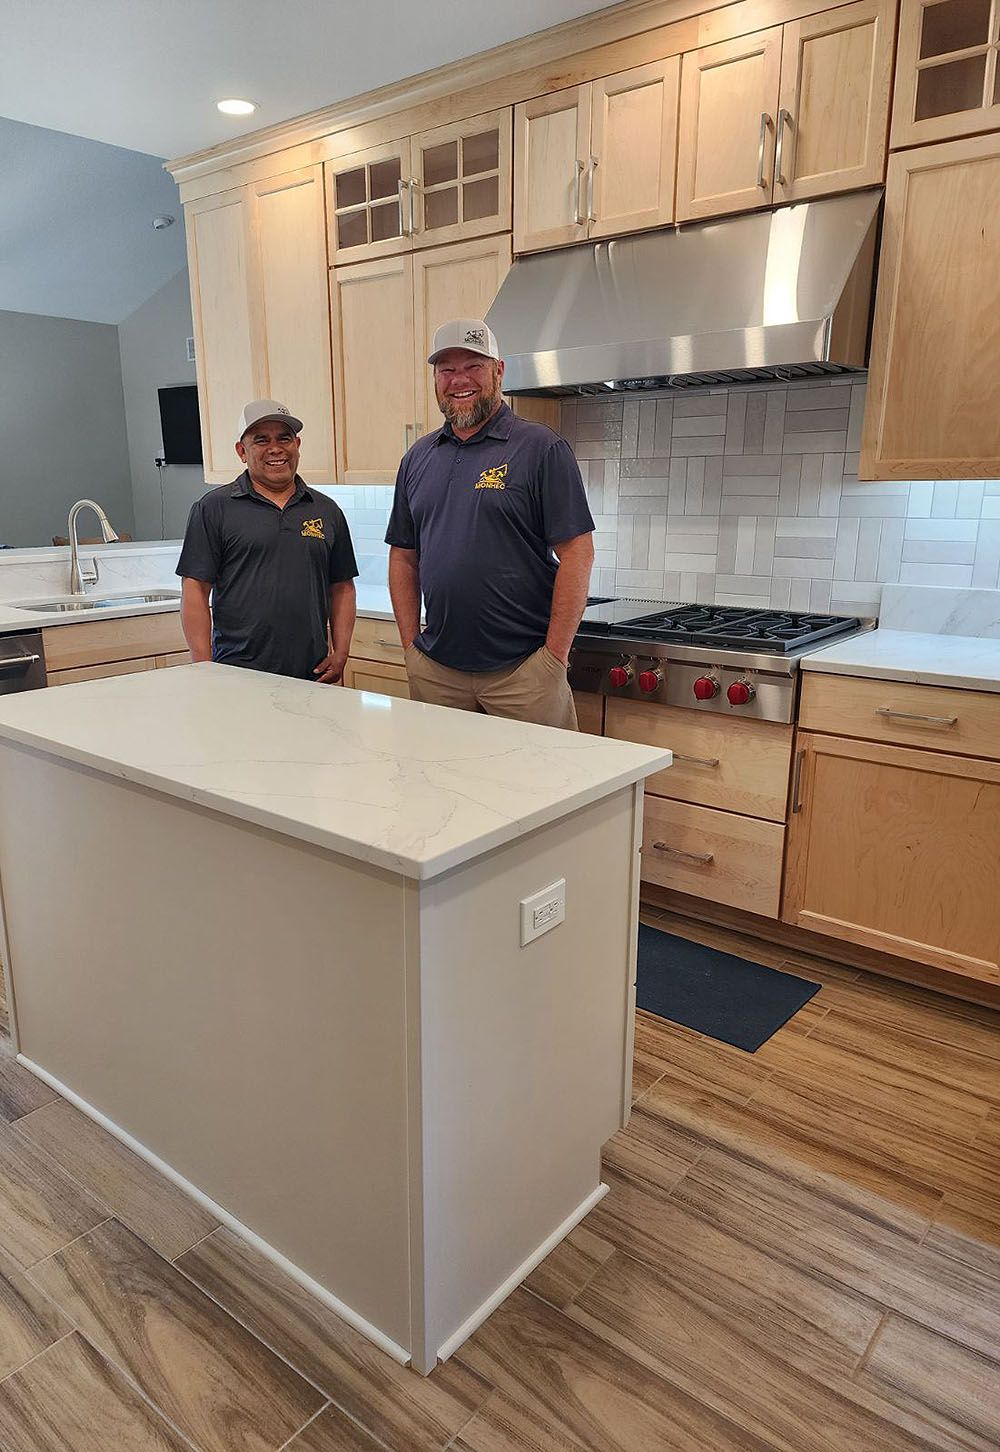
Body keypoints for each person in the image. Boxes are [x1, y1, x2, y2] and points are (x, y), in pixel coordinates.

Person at [385, 320, 594, 729]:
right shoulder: (417, 459)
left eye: (473, 366)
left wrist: (554, 658)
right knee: (439, 785)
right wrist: (411, 646)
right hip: (437, 673)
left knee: (541, 788)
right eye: (447, 369)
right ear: (435, 379)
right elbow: (403, 557)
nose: (459, 380)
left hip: (524, 674)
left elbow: (577, 553)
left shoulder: (541, 449)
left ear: (498, 371)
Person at [177, 400, 357, 682]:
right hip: (237, 673)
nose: (275, 448)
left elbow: (342, 587)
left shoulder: (326, 510)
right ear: (242, 451)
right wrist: (204, 668)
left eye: (284, 438)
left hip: (312, 673)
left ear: (297, 444)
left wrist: (341, 652)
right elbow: (195, 590)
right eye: (261, 440)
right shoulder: (213, 509)